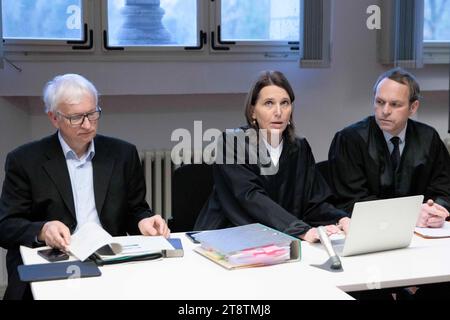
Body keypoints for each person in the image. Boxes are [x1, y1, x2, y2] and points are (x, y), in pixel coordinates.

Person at [0, 74, 170, 300]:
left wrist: (144, 221)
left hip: (109, 258)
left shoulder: (122, 154)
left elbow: (135, 209)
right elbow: (6, 226)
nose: (88, 125)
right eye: (76, 118)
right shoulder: (25, 160)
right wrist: (43, 230)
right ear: (54, 117)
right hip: (56, 259)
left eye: (92, 114)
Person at [328, 67, 450, 299]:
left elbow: (444, 187)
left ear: (413, 107)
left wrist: (436, 209)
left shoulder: (428, 138)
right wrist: (411, 215)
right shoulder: (350, 139)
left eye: (395, 104)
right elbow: (350, 200)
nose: (385, 111)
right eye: (380, 102)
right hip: (368, 245)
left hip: (422, 241)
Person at [194, 70, 350, 242]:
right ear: (253, 111)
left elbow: (313, 201)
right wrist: (301, 231)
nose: (278, 111)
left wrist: (340, 219)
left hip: (283, 238)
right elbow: (251, 197)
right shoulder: (232, 143)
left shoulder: (299, 148)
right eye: (269, 103)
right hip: (229, 237)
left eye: (285, 103)